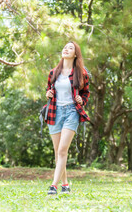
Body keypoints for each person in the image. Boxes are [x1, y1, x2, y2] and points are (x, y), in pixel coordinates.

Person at [43, 41, 90, 195]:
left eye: (70, 48)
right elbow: (49, 90)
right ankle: (65, 184)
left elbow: (86, 93)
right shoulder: (53, 72)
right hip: (54, 112)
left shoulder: (81, 73)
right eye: (64, 47)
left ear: (76, 54)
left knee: (63, 149)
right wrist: (48, 94)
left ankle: (53, 186)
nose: (66, 49)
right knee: (58, 152)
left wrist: (82, 100)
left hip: (71, 112)